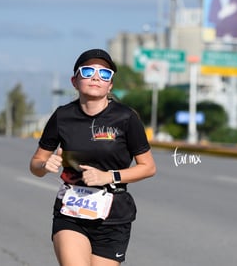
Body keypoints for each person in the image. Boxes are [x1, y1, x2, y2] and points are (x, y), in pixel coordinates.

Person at [29, 48, 156, 266]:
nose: (96, 77)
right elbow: (35, 165)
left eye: (104, 74)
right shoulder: (62, 116)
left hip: (113, 215)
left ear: (110, 85)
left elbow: (148, 167)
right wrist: (44, 164)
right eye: (87, 71)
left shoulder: (126, 118)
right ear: (75, 81)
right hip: (71, 211)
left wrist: (109, 176)